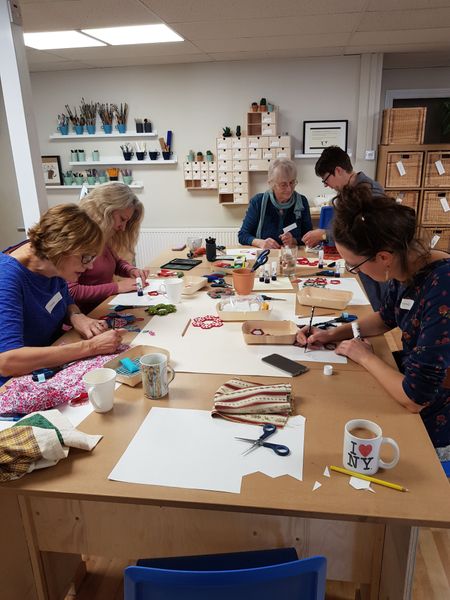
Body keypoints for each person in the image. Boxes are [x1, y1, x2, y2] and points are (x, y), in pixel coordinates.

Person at [296, 186, 450, 457]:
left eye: (355, 265)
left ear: (383, 257)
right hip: (412, 381)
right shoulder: (406, 265)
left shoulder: (442, 288)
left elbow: (415, 398)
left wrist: (365, 356)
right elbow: (385, 318)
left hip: (438, 421)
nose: (355, 271)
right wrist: (332, 334)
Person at [0, 204, 123, 387]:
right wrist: (91, 347)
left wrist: (76, 315)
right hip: (13, 383)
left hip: (53, 355)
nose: (89, 266)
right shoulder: (7, 279)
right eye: (86, 257)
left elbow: (62, 296)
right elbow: (8, 362)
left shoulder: (50, 261)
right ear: (63, 248)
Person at [303, 146, 387, 311]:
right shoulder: (348, 191)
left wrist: (324, 235)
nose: (326, 185)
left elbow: (363, 233)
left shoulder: (371, 191)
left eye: (326, 179)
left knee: (375, 311)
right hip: (361, 265)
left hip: (373, 267)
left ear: (338, 170)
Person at [68, 183, 148, 313]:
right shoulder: (78, 239)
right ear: (105, 211)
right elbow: (71, 291)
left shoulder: (101, 236)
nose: (123, 228)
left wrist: (131, 270)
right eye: (122, 219)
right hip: (85, 316)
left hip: (104, 307)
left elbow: (115, 263)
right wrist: (117, 287)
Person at [238, 159, 312, 249]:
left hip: (291, 256)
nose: (289, 189)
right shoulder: (258, 201)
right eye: (283, 184)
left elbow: (309, 236)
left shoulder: (302, 202)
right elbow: (242, 235)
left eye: (292, 182)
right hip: (265, 256)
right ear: (272, 184)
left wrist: (294, 241)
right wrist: (260, 243)